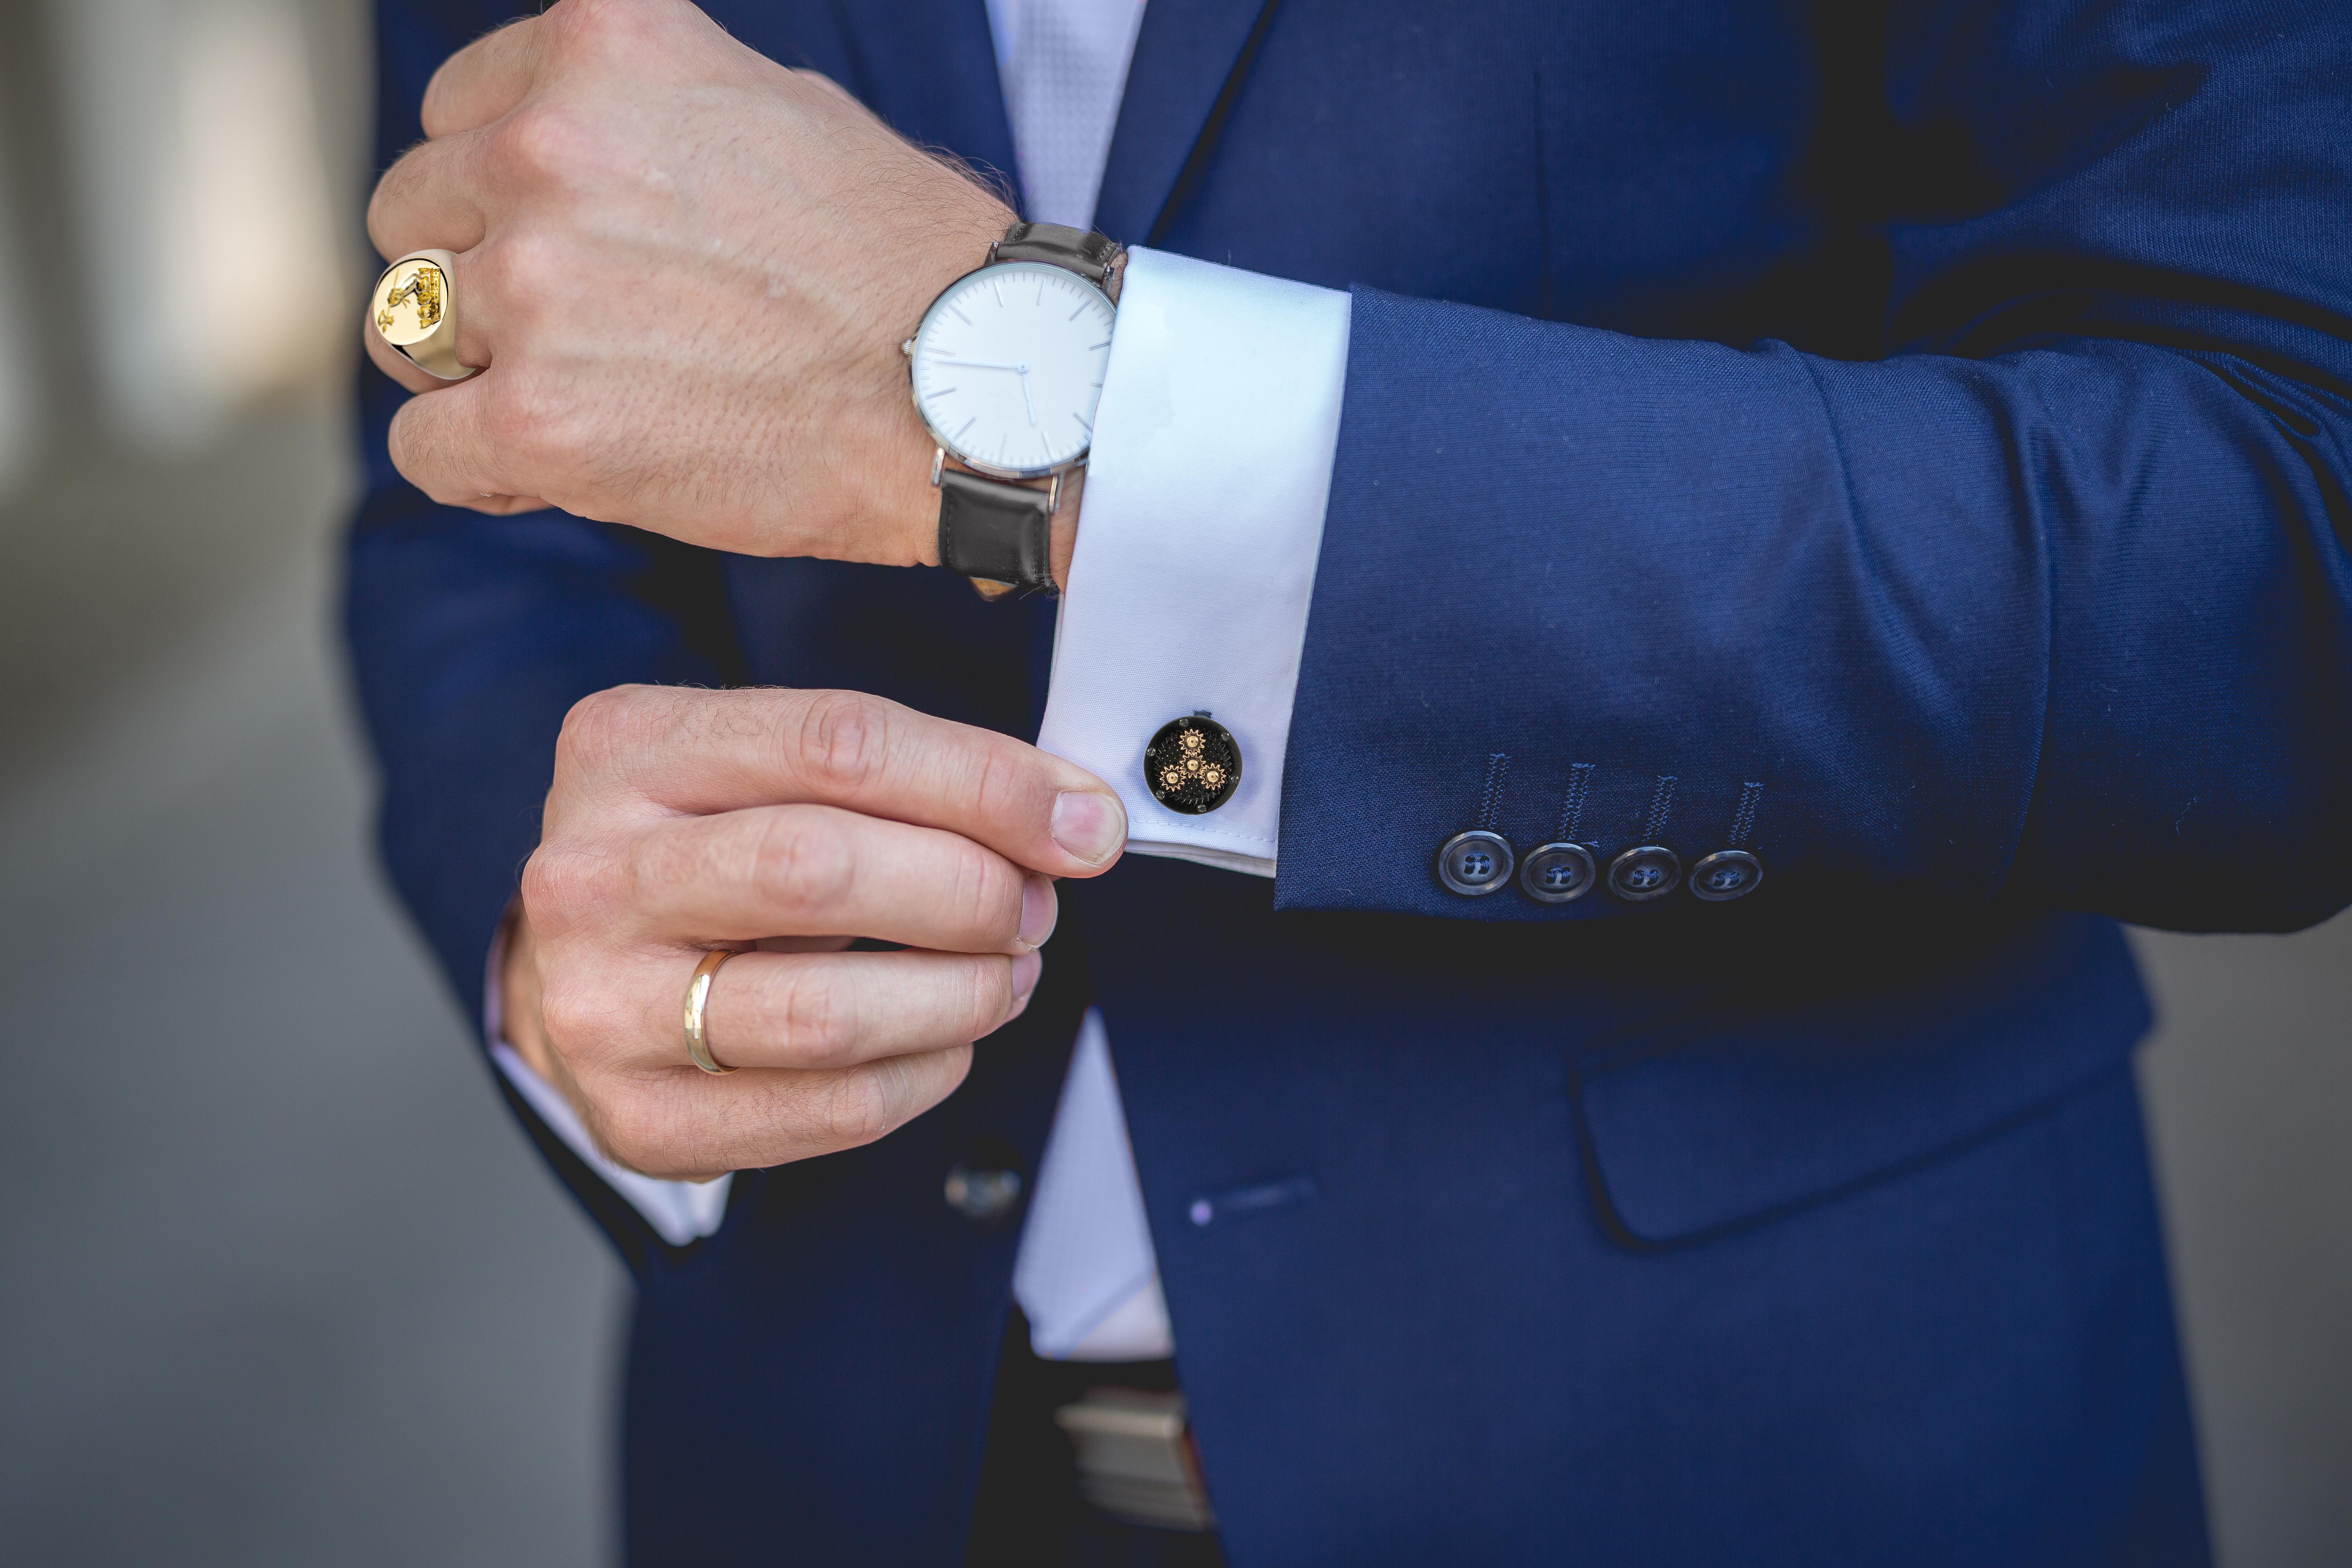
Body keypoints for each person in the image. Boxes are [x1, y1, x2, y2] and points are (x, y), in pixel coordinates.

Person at [344, 0, 2352, 1561]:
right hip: (832, 1456)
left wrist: (1026, 394)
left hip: (1756, 1441)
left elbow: (2266, 558)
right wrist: (556, 930)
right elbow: (468, 451)